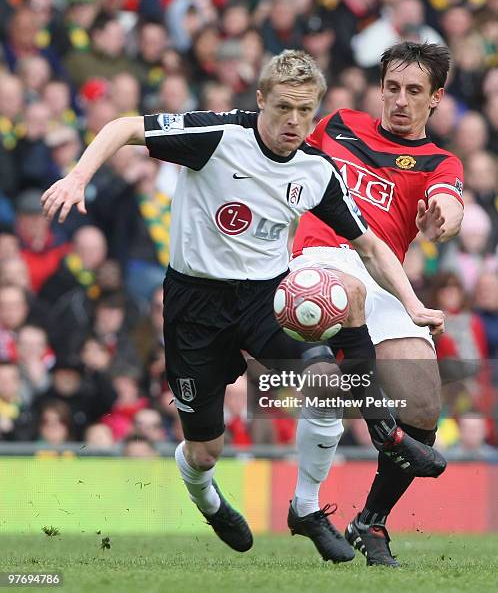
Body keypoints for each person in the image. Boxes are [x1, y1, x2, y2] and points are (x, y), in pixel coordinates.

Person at [41, 50, 445, 556]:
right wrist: (78, 176)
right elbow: (124, 127)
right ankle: (206, 497)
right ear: (260, 102)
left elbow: (369, 245)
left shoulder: (316, 171)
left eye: (304, 111)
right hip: (195, 306)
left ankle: (312, 503)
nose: (293, 122)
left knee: (324, 374)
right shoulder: (216, 136)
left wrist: (411, 304)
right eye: (282, 109)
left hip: (264, 298)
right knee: (206, 449)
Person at [290, 42, 464, 566]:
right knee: (334, 347)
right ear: (380, 88)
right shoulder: (339, 124)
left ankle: (370, 521)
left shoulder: (439, 161)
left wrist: (441, 217)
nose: (400, 101)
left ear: (436, 98)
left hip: (382, 279)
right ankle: (379, 428)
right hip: (317, 263)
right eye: (392, 88)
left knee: (425, 402)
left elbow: (450, 204)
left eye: (415, 91)